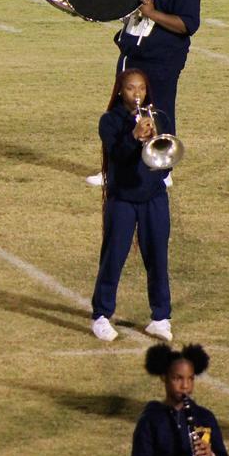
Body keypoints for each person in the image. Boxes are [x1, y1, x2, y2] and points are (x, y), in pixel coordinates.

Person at [87, 0, 200, 188]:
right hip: (133, 56)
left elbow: (188, 24)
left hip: (160, 61)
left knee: (159, 112)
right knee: (122, 113)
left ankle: (163, 171)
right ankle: (114, 170)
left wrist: (152, 13)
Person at [90, 69, 173, 342]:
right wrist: (134, 136)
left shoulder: (159, 117)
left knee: (158, 258)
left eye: (141, 88)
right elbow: (116, 155)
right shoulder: (109, 121)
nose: (137, 93)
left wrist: (153, 141)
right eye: (130, 88)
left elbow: (167, 159)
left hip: (154, 198)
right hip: (122, 199)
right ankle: (101, 316)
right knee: (113, 257)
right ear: (120, 91)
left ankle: (160, 318)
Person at [132, 344, 229, 456]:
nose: (185, 386)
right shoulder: (150, 421)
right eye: (178, 378)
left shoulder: (204, 417)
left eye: (190, 378)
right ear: (164, 377)